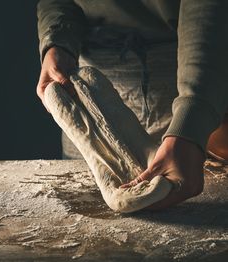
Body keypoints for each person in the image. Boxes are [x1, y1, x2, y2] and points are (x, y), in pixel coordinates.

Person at [36, 0, 228, 210]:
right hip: (84, 95)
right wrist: (57, 42)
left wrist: (191, 124)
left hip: (193, 87)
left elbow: (209, 9)